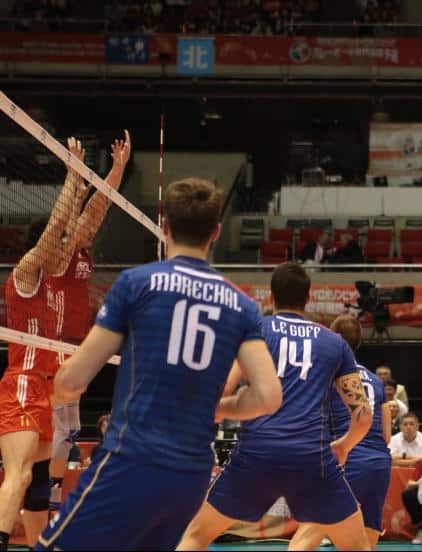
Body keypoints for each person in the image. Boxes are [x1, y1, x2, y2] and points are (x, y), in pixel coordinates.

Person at [36, 177, 283, 551]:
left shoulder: (138, 283)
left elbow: (74, 379)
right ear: (216, 232)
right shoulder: (241, 305)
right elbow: (267, 397)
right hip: (191, 475)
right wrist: (221, 407)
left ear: (164, 226)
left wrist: (59, 390)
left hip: (131, 461)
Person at [177, 261, 373, 551]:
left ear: (270, 296)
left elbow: (219, 390)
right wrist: (343, 446)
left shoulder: (253, 331)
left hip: (256, 455)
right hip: (312, 460)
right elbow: (363, 416)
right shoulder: (334, 343)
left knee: (195, 536)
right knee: (358, 547)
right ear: (308, 298)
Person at [0, 138, 87, 551]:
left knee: (35, 476)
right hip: (22, 384)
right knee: (17, 475)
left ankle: (39, 546)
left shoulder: (55, 286)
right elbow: (55, 233)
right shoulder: (26, 274)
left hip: (48, 389)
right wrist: (70, 179)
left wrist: (87, 190)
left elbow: (68, 234)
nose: (64, 251)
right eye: (58, 247)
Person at [47, 131, 131, 512]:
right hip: (53, 349)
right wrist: (76, 176)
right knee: (55, 433)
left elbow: (98, 212)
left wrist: (116, 171)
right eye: (81, 220)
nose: (89, 226)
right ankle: (43, 499)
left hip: (73, 348)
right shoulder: (59, 255)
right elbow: (90, 213)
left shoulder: (80, 250)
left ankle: (49, 498)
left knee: (68, 433)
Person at [310, 314, 392, 550]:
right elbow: (387, 436)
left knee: (310, 531)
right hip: (378, 463)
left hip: (346, 459)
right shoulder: (376, 380)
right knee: (365, 541)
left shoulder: (328, 374)